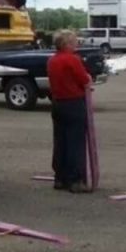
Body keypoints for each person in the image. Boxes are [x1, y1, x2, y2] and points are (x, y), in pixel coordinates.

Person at [47, 29, 92, 193]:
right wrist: (87, 79)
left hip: (58, 103)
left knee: (61, 141)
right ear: (66, 44)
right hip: (73, 103)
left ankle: (60, 177)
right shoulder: (73, 59)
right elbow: (83, 79)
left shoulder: (52, 60)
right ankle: (75, 180)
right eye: (73, 41)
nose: (76, 44)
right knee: (75, 142)